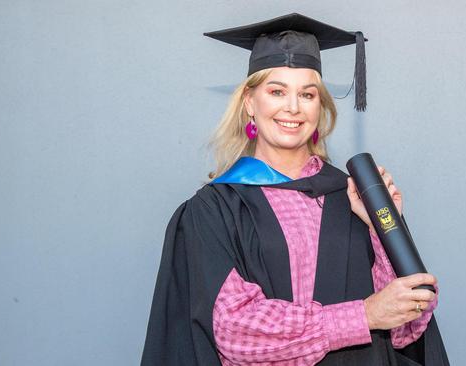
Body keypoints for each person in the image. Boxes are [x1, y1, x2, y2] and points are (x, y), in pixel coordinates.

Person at [141, 13, 449, 366]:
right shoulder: (214, 209)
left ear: (320, 107)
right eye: (276, 91)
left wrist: (383, 229)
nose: (292, 107)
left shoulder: (353, 196)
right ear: (249, 102)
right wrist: (362, 316)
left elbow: (407, 329)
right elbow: (232, 330)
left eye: (307, 94)